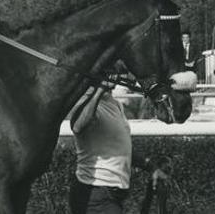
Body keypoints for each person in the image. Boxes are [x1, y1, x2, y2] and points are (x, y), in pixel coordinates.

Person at [69, 78, 170, 214]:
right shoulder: (84, 102)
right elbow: (77, 126)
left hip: (112, 194)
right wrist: (100, 88)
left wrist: (151, 166)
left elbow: (121, 149)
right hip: (94, 194)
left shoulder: (115, 104)